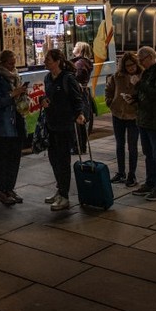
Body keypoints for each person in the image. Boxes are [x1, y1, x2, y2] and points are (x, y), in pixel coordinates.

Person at [40, 48, 86, 211]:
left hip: (65, 125)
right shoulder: (47, 78)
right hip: (51, 125)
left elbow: (77, 98)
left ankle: (65, 196)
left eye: (48, 60)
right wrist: (44, 102)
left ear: (57, 62)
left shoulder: (67, 79)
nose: (45, 62)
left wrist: (79, 114)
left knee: (63, 161)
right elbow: (48, 97)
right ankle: (60, 191)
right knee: (54, 160)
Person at [0, 50, 28, 206]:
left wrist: (22, 95)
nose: (13, 66)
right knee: (2, 160)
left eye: (14, 63)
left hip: (16, 123)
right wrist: (13, 94)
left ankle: (10, 188)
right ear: (2, 63)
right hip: (3, 126)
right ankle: (1, 191)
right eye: (10, 63)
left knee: (14, 158)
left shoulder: (16, 77)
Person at [130, 47, 156, 201]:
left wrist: (139, 84)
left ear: (150, 57)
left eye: (141, 59)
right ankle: (150, 182)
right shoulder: (147, 72)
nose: (140, 62)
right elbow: (146, 94)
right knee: (148, 154)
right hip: (144, 118)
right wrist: (134, 98)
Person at [105, 52, 142, 187]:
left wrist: (137, 90)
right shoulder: (117, 77)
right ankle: (121, 172)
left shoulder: (141, 76)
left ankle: (132, 174)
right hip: (118, 114)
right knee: (119, 145)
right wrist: (110, 102)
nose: (130, 68)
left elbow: (144, 94)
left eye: (132, 65)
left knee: (132, 146)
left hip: (133, 115)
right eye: (127, 66)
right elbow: (108, 90)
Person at [72, 40, 95, 144]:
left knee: (79, 118)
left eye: (76, 46)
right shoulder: (84, 62)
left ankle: (79, 145)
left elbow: (77, 78)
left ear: (80, 49)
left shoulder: (80, 63)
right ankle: (81, 144)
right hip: (83, 93)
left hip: (79, 93)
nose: (74, 47)